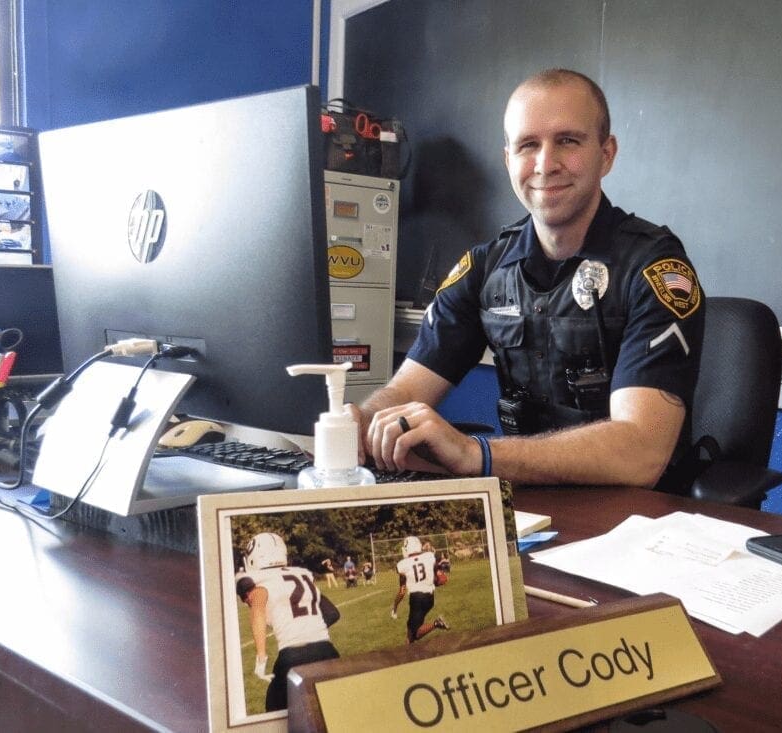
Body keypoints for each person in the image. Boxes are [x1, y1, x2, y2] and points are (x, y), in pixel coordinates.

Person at [356, 68, 704, 492]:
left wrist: (477, 454)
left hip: (635, 523)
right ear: (508, 160)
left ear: (606, 154)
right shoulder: (484, 268)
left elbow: (640, 453)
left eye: (568, 141)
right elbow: (407, 390)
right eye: (527, 145)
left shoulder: (653, 268)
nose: (545, 164)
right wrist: (358, 423)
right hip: (525, 506)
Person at [236, 532, 340, 712]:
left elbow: (257, 613)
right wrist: (308, 628)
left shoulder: (260, 582)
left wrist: (261, 658)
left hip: (293, 656)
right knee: (330, 711)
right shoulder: (303, 574)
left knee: (276, 712)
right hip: (327, 650)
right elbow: (332, 613)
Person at [391, 535, 450, 643]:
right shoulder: (429, 556)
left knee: (416, 633)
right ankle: (408, 650)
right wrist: (438, 579)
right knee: (410, 626)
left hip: (417, 599)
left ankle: (437, 623)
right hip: (430, 598)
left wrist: (395, 606)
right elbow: (438, 578)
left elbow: (402, 591)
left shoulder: (402, 565)